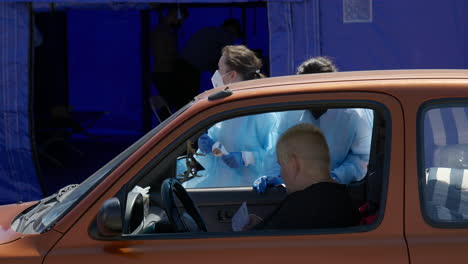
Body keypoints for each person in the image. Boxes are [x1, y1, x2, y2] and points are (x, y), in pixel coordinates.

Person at [254, 57, 373, 193]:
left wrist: (337, 177)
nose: (309, 97)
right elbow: (277, 153)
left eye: (315, 91)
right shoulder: (289, 114)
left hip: (338, 193)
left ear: (330, 89)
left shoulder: (353, 114)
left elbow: (362, 157)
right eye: (304, 91)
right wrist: (273, 177)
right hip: (296, 194)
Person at [181, 45, 280, 188]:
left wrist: (246, 157)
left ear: (232, 75)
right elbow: (215, 161)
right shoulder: (224, 108)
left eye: (219, 69)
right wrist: (207, 149)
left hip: (249, 192)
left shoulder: (261, 111)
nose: (215, 74)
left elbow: (275, 156)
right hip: (220, 189)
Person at [246, 123, 361, 230]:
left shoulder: (298, 208)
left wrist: (255, 229)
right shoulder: (343, 199)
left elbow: (264, 241)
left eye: (281, 165)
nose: (281, 175)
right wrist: (260, 224)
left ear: (293, 164)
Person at [174, 19, 242, 109]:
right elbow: (230, 55)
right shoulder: (223, 35)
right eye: (235, 32)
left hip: (183, 66)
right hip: (188, 69)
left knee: (184, 100)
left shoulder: (212, 31)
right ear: (232, 28)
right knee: (187, 101)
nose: (234, 36)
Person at [150, 7, 188, 115]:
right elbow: (164, 53)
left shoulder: (165, 30)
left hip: (164, 71)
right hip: (164, 71)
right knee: (167, 102)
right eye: (180, 19)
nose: (180, 22)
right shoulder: (163, 31)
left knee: (168, 102)